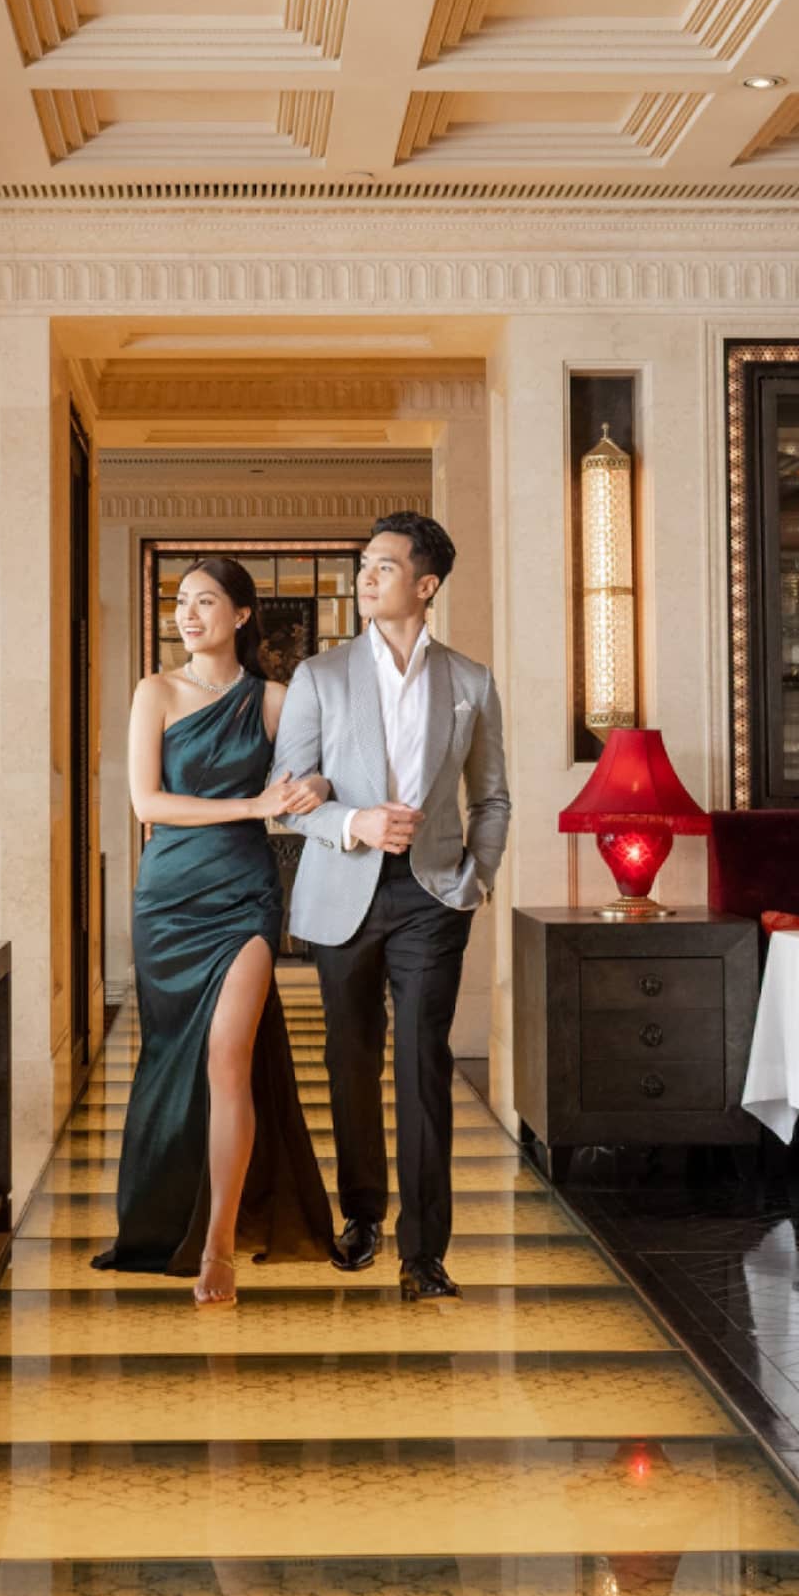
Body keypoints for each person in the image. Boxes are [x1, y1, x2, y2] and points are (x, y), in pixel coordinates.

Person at [272, 512, 511, 1301]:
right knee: (350, 1061)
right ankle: (363, 1215)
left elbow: (494, 796)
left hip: (433, 897)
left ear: (426, 584)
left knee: (423, 1065)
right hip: (345, 889)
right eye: (363, 565)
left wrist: (476, 876)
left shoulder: (471, 682)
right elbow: (286, 801)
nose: (365, 577)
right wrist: (353, 823)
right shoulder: (321, 676)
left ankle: (424, 1251)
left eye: (383, 566)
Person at [93, 556, 336, 1307]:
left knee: (230, 1058)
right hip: (168, 900)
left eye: (205, 602)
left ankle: (220, 1246)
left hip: (245, 899)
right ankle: (170, 1213)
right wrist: (250, 806)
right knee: (176, 1061)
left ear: (240, 614)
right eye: (180, 602)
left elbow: (319, 775)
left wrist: (312, 787)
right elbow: (148, 803)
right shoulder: (154, 692)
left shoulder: (275, 699)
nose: (187, 615)